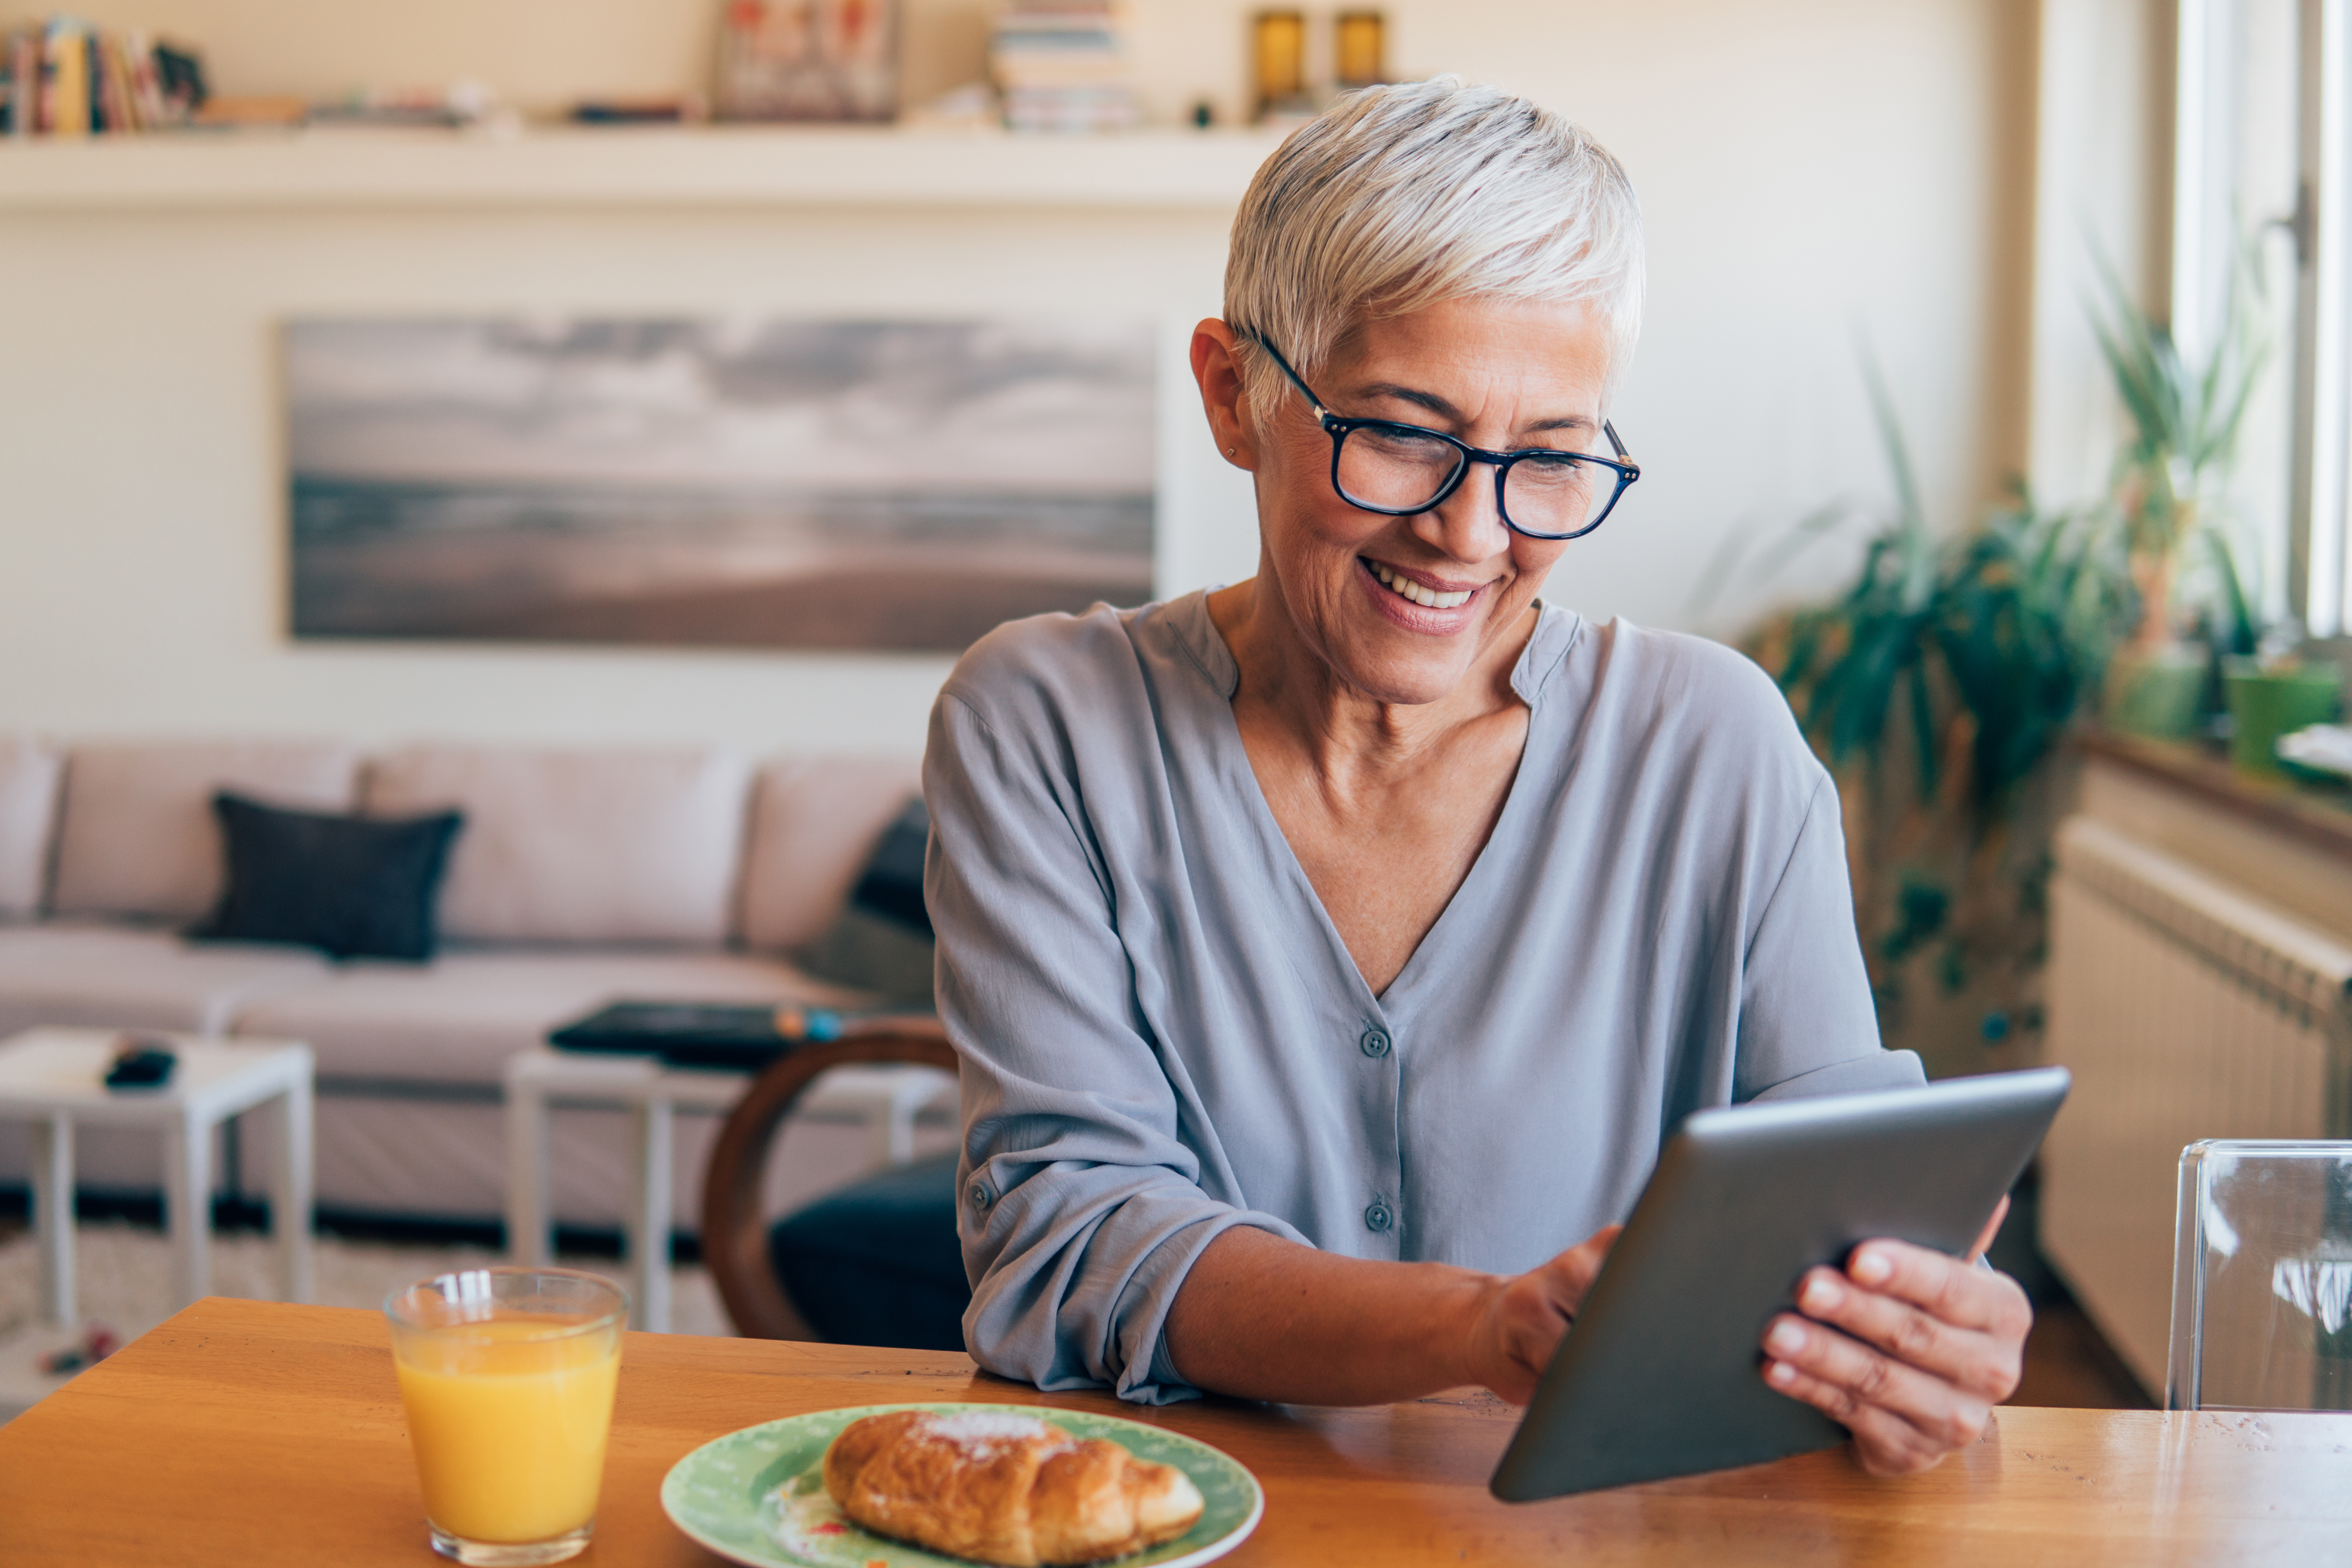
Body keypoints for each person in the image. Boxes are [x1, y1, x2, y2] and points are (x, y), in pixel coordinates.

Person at [922, 77, 2031, 1477]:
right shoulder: (1046, 724)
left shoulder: (1716, 745)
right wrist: (1477, 1326)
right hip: (1175, 1523)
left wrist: (1924, 1328)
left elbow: (1845, 1197)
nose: (1467, 531)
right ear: (1232, 393)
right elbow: (1068, 1238)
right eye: (1399, 434)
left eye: (1552, 458)